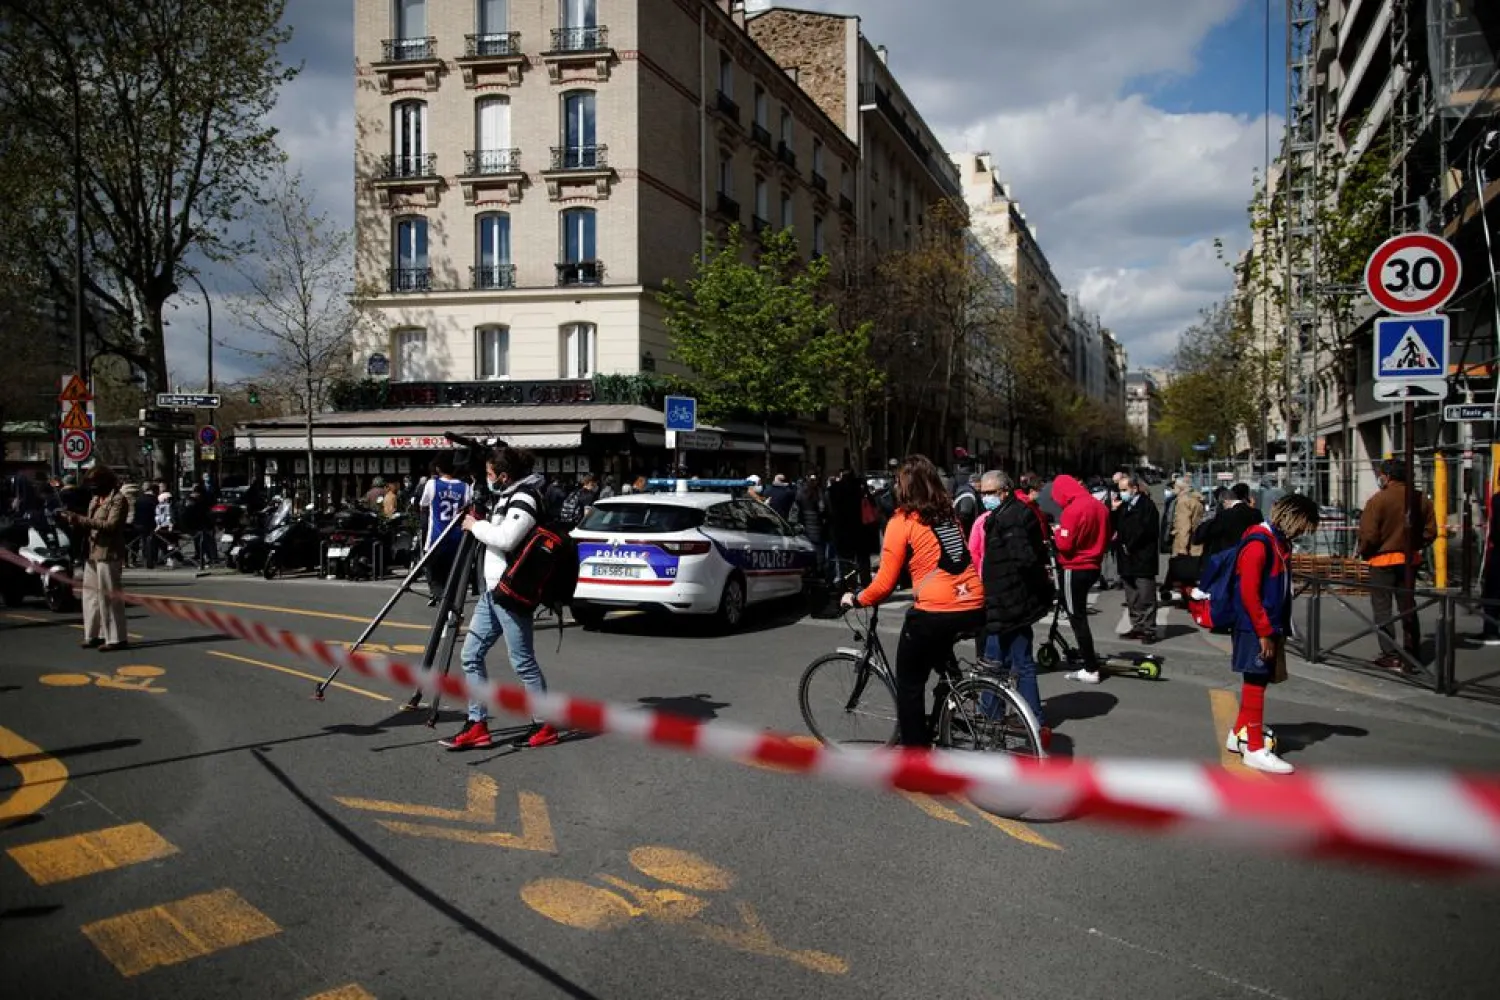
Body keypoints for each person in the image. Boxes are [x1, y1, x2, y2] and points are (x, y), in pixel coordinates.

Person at [841, 455, 985, 747]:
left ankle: (915, 759)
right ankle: (951, 698)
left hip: (936, 611)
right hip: (974, 603)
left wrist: (856, 599)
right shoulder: (948, 514)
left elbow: (883, 585)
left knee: (909, 684)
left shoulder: (902, 521)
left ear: (903, 486)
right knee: (940, 656)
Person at [441, 445, 558, 752]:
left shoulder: (525, 498)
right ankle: (476, 724)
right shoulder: (505, 496)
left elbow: (506, 538)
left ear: (505, 476)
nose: (486, 478)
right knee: (470, 655)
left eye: (490, 474)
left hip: (511, 592)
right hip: (493, 591)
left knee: (522, 662)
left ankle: (544, 724)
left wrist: (474, 525)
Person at [1227, 494, 1322, 774]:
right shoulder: (1260, 544)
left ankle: (1239, 734)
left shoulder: (1274, 541)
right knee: (1255, 681)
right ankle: (1254, 748)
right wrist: (1264, 632)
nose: (1304, 533)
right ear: (1293, 519)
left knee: (1257, 680)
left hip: (1263, 624)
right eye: (1304, 527)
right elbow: (1249, 592)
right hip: (1255, 626)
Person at [973, 472, 1052, 744]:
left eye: (989, 493)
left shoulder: (1010, 518)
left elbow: (1025, 559)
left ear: (1004, 491)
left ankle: (1001, 716)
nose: (985, 498)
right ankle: (1018, 716)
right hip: (1010, 602)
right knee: (1009, 661)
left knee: (1000, 662)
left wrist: (1010, 589)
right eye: (982, 493)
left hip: (1009, 603)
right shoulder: (1011, 514)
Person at [1357, 459, 1438, 672]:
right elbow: (1430, 532)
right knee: (1408, 607)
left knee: (1383, 609)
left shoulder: (1378, 500)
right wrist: (1415, 545)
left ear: (1388, 476)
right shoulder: (1420, 499)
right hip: (1409, 559)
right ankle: (1412, 655)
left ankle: (1391, 654)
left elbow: (1369, 535)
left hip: (1381, 560)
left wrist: (1365, 551)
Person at [60, 466, 130, 651]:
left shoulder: (118, 500)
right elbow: (88, 524)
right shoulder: (94, 500)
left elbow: (111, 526)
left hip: (109, 552)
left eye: (96, 484)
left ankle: (116, 638)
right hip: (91, 550)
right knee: (90, 596)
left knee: (108, 596)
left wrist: (80, 520)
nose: (93, 488)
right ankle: (94, 634)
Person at [1051, 474, 1110, 684]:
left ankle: (1090, 667)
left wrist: (1057, 534)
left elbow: (1065, 545)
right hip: (1093, 565)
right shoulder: (1099, 506)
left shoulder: (1072, 510)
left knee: (1077, 617)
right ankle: (1087, 657)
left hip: (1074, 566)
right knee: (1079, 613)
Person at [1113, 474, 1161, 643]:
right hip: (1126, 558)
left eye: (1125, 490)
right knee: (1131, 596)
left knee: (1146, 594)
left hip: (1141, 556)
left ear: (1134, 488)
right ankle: (1137, 625)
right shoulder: (1123, 506)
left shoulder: (1147, 506)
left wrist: (1130, 544)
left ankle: (1149, 629)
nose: (1122, 494)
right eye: (1120, 490)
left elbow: (1146, 531)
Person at [419, 455, 473, 600]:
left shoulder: (432, 484)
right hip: (456, 537)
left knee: (433, 570)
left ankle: (439, 597)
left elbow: (423, 504)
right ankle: (450, 600)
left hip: (436, 537)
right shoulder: (465, 487)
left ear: (437, 468)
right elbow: (468, 507)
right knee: (452, 571)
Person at [1481, 481, 1500, 646]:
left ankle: (1491, 631)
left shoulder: (1497, 499)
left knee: (1492, 592)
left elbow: (1496, 528)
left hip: (1499, 553)